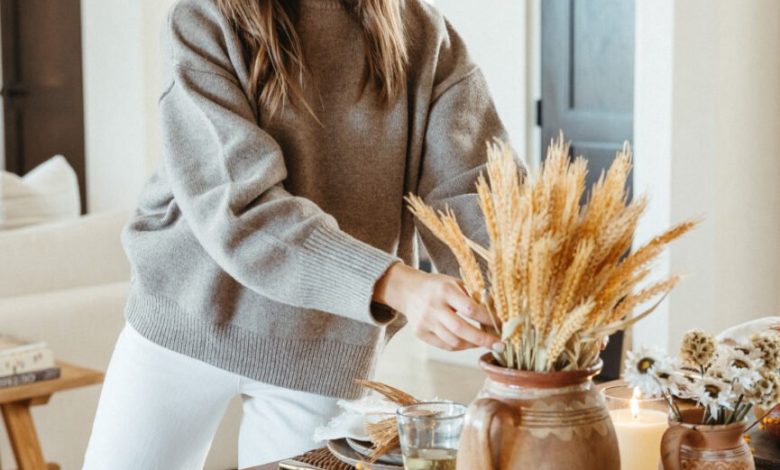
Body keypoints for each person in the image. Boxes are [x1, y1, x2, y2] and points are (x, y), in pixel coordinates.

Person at [83, 0, 515, 468]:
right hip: (184, 321)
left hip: (320, 344)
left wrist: (529, 300)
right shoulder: (204, 17)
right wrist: (396, 283)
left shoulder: (423, 34)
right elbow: (238, 206)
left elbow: (476, 191)